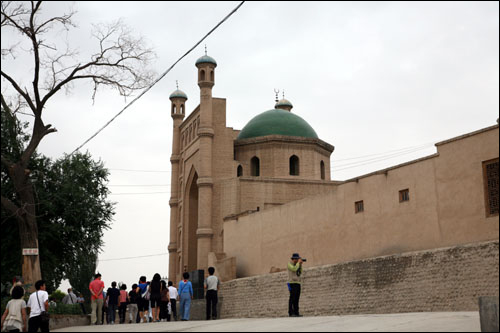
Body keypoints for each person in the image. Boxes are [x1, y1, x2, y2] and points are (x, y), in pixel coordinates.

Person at [288, 253, 304, 317]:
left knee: (297, 298)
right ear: (293, 259)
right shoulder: (289, 264)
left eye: (298, 259)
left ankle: (296, 312)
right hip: (291, 283)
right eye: (296, 259)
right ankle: (291, 313)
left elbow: (300, 272)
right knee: (292, 298)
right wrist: (298, 264)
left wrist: (300, 265)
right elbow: (294, 269)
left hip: (298, 283)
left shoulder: (297, 264)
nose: (297, 260)